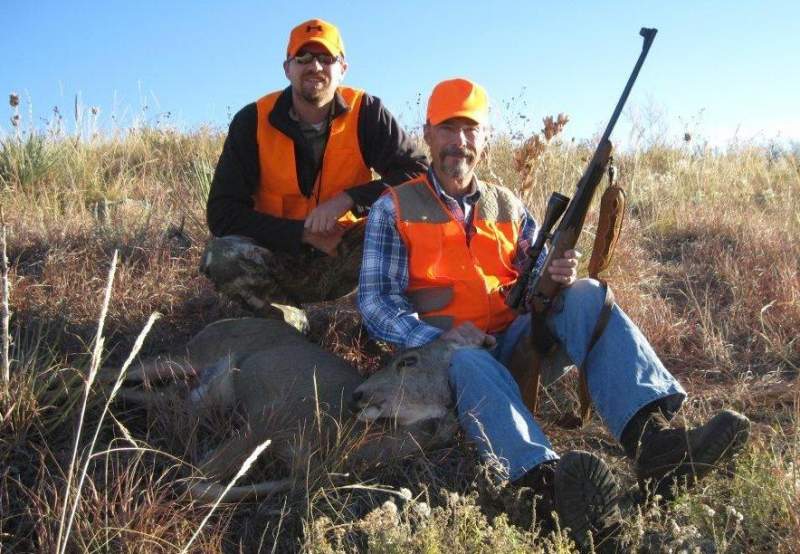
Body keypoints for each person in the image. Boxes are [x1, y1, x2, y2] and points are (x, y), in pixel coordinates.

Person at [357, 78, 750, 551]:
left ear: (484, 138)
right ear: (427, 134)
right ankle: (546, 490)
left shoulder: (508, 204)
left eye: (470, 129)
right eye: (447, 129)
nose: (459, 141)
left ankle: (655, 444)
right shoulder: (394, 207)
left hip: (514, 341)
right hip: (444, 362)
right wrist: (436, 339)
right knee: (468, 360)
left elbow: (535, 281)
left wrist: (556, 278)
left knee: (587, 295)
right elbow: (376, 303)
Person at [201, 18, 427, 326]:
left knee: (409, 231)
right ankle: (290, 324)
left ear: (342, 68)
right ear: (287, 68)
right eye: (303, 57)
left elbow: (417, 175)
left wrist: (350, 199)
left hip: (345, 250)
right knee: (221, 256)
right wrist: (302, 234)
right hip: (277, 253)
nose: (315, 66)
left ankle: (384, 323)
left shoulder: (366, 111)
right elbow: (222, 213)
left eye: (326, 57)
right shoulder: (252, 120)